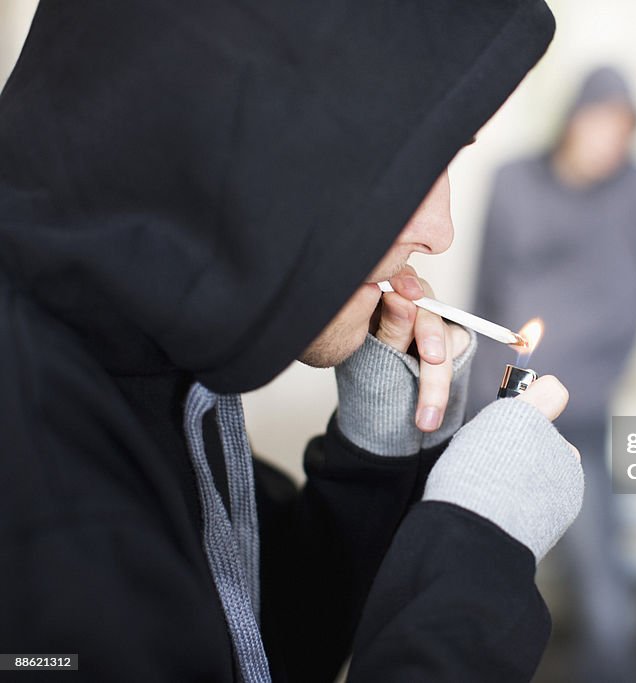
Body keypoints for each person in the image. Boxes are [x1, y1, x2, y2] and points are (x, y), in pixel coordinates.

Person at [0, 1, 586, 681]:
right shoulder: (40, 500)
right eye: (413, 163)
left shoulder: (143, 359)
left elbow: (248, 639)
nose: (439, 231)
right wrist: (475, 563)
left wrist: (376, 447)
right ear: (257, 133)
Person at [469, 66, 636, 683]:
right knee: (473, 547)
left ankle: (615, 670)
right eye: (598, 121)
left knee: (596, 566)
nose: (609, 139)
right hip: (497, 397)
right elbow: (485, 290)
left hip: (576, 408)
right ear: (571, 118)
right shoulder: (513, 182)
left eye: (623, 127)